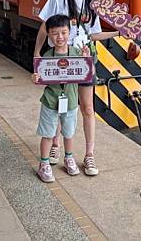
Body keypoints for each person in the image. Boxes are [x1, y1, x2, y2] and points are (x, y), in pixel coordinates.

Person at [33, 0, 120, 176]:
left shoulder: (93, 5)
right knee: (60, 105)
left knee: (87, 109)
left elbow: (93, 34)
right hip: (60, 62)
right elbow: (45, 28)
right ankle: (55, 145)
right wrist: (36, 53)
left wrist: (118, 33)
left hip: (83, 62)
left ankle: (89, 155)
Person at [32, 14, 89, 182]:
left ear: (69, 32)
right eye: (55, 33)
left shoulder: (77, 53)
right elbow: (39, 77)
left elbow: (88, 70)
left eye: (64, 32)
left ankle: (69, 158)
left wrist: (86, 57)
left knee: (69, 133)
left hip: (70, 101)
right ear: (49, 35)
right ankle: (44, 164)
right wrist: (34, 78)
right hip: (50, 101)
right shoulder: (47, 57)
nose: (60, 37)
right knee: (48, 134)